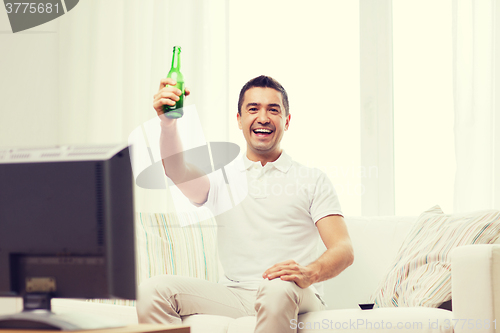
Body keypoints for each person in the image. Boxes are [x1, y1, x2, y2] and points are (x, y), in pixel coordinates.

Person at [137, 75, 354, 333]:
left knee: (277, 288)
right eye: (253, 109)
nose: (263, 117)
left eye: (273, 110)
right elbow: (176, 170)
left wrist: (309, 272)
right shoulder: (221, 178)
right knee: (153, 290)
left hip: (294, 292)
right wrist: (167, 125)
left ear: (287, 121)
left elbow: (343, 249)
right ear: (239, 120)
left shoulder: (312, 179)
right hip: (235, 293)